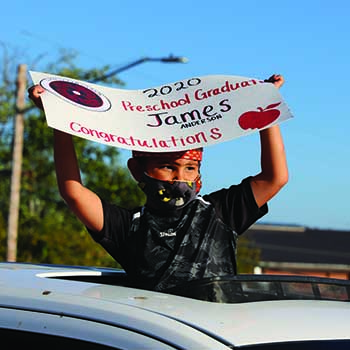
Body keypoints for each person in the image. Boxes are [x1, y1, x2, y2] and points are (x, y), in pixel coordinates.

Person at [28, 74, 288, 294]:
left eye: (189, 169)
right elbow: (73, 192)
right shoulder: (128, 226)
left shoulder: (217, 213)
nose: (179, 178)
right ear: (137, 171)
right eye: (167, 167)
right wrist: (59, 121)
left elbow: (275, 178)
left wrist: (265, 106)